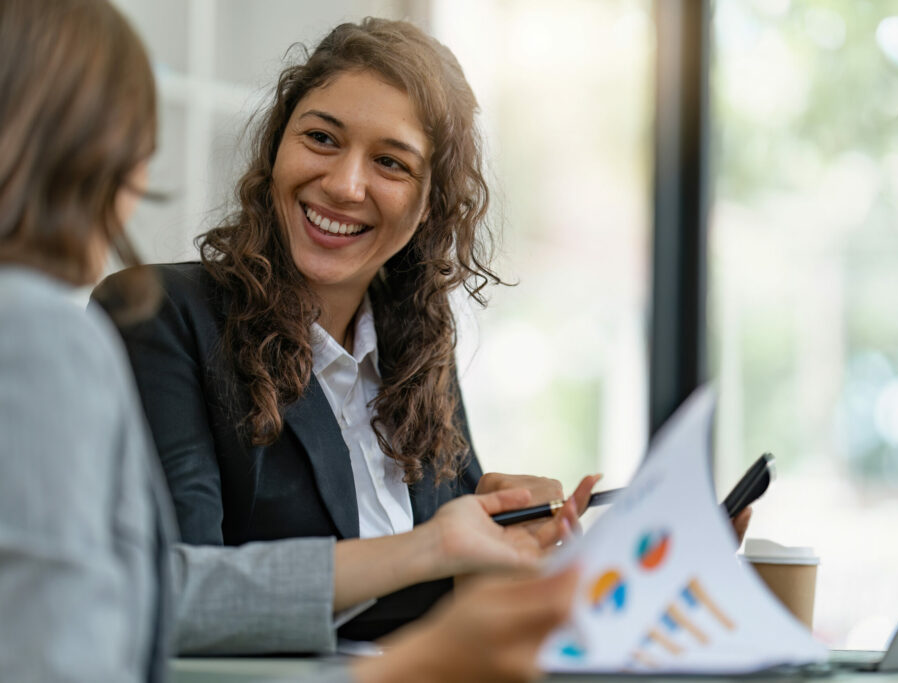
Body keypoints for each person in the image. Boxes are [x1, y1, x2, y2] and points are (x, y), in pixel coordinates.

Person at [0, 0, 578, 680]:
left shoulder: (419, 347)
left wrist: (517, 544)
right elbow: (167, 593)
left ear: (432, 204)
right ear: (275, 150)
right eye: (322, 139)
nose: (345, 183)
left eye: (391, 162)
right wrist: (435, 545)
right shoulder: (158, 317)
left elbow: (450, 600)